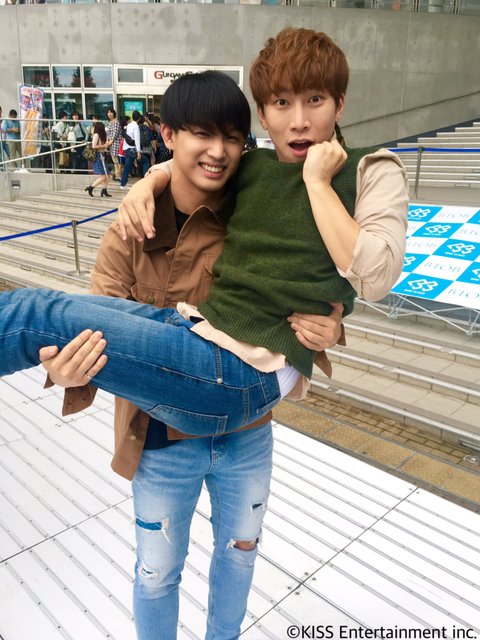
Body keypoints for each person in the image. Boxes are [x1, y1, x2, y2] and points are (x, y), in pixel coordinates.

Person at [1, 26, 408, 636]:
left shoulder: (282, 189)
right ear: (168, 135)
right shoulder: (136, 229)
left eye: (231, 138)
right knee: (155, 574)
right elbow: (101, 329)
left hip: (243, 421)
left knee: (238, 558)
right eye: (280, 104)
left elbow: (343, 269)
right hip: (161, 435)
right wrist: (64, 368)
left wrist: (333, 319)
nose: (218, 152)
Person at [84, 121, 112, 198]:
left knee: (107, 174)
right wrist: (104, 146)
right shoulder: (96, 135)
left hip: (102, 155)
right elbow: (94, 146)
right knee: (105, 175)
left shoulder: (102, 135)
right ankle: (91, 187)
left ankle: (104, 190)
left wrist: (107, 144)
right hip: (98, 156)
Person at [120, 109, 142, 190]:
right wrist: (139, 152)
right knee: (145, 161)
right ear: (139, 118)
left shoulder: (129, 125)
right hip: (132, 150)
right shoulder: (136, 126)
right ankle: (144, 180)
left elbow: (126, 138)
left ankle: (123, 184)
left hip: (127, 149)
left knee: (127, 166)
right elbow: (137, 140)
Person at [106, 107, 122, 181]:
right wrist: (107, 142)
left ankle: (119, 175)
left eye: (111, 112)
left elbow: (115, 134)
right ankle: (117, 174)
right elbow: (108, 133)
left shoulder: (116, 122)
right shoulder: (109, 123)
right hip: (111, 145)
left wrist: (110, 142)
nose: (109, 114)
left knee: (117, 160)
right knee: (114, 160)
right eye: (108, 112)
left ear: (114, 113)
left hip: (116, 144)